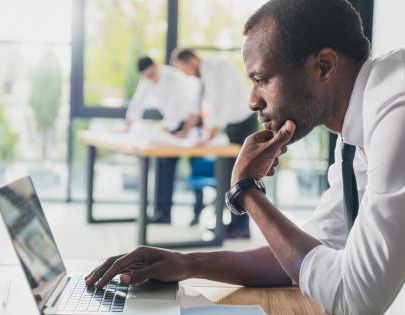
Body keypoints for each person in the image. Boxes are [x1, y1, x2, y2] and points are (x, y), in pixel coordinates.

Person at [86, 1, 405, 314]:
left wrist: (247, 190)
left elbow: (355, 297)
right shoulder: (356, 131)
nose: (252, 101)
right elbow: (312, 255)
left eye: (262, 79)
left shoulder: (396, 115)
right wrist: (186, 262)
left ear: (323, 66)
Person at [171, 48, 258, 239]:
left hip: (243, 124)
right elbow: (206, 106)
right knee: (229, 177)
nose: (184, 73)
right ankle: (231, 224)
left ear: (191, 61)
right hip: (234, 124)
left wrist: (209, 135)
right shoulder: (205, 74)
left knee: (240, 177)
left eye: (183, 69)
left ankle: (241, 227)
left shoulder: (216, 68)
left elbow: (220, 103)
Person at [126, 56, 200, 224]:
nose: (151, 78)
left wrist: (169, 130)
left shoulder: (172, 77)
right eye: (147, 76)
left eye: (152, 74)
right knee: (162, 168)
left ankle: (191, 213)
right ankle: (160, 212)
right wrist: (129, 124)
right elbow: (137, 102)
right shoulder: (146, 80)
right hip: (169, 125)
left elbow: (180, 107)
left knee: (185, 168)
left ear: (156, 66)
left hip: (185, 124)